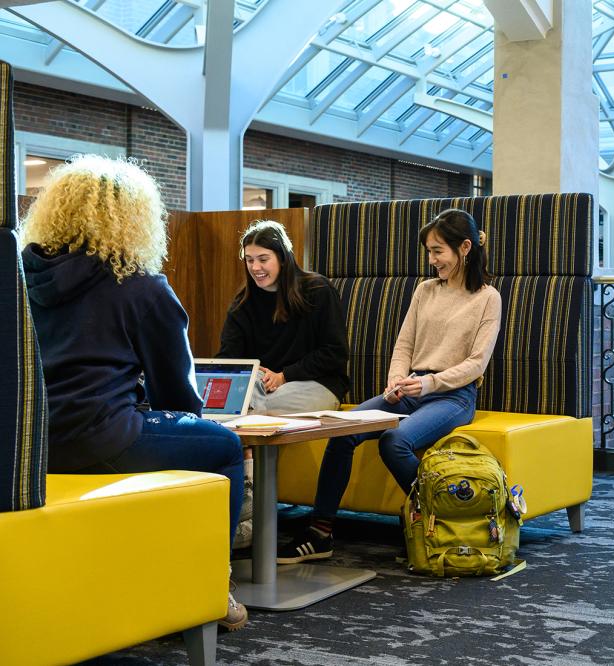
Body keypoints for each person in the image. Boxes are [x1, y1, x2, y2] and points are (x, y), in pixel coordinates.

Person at [20, 155, 247, 631]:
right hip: (101, 438)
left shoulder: (21, 281)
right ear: (134, 217)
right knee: (224, 446)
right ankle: (211, 585)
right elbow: (177, 392)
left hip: (30, 447)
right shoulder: (142, 287)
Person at [277, 208, 501, 564]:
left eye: (438, 251)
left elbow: (476, 363)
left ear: (465, 248)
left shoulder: (488, 297)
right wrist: (396, 380)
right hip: (411, 387)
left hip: (454, 395)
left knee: (394, 440)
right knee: (342, 432)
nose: (432, 260)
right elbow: (404, 344)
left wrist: (427, 383)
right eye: (428, 251)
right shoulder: (425, 290)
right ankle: (320, 533)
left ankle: (434, 523)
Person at [217, 220, 350, 550]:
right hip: (264, 389)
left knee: (256, 412)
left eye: (263, 258)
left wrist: (285, 374)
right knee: (234, 408)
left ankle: (246, 506)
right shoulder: (243, 303)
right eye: (249, 260)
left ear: (282, 256)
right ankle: (238, 503)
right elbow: (228, 359)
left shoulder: (317, 291)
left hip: (318, 384)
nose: (256, 267)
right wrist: (252, 373)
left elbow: (335, 353)